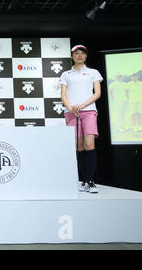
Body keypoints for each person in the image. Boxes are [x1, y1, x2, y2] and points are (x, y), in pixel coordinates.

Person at [60, 45, 102, 194]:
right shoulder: (66, 74)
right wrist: (71, 107)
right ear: (72, 56)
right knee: (78, 147)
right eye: (76, 53)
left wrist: (82, 105)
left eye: (82, 53)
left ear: (86, 56)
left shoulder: (93, 72)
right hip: (72, 113)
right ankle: (83, 180)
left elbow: (97, 93)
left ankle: (91, 181)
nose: (79, 56)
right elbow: (63, 95)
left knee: (89, 144)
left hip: (89, 111)